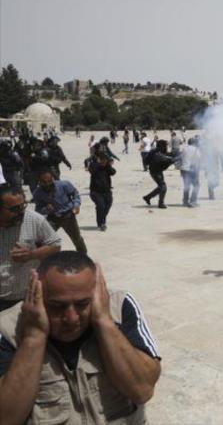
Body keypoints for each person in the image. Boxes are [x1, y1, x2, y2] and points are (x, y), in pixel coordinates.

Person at [0, 251, 161, 424]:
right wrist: (34, 337)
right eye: (56, 306)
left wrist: (104, 321)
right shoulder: (8, 327)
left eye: (82, 304)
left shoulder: (119, 307)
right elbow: (6, 418)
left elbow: (142, 390)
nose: (71, 318)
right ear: (35, 293)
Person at [0, 184, 62, 312]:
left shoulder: (34, 220)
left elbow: (55, 245)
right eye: (15, 209)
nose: (21, 211)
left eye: (23, 205)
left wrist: (32, 254)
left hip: (26, 297)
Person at [32, 169, 88, 254]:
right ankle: (44, 258)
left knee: (76, 238)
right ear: (39, 182)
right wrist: (45, 209)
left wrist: (76, 205)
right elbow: (38, 209)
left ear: (53, 179)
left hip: (68, 216)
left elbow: (75, 193)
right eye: (44, 182)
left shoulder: (64, 184)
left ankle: (83, 256)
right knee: (42, 239)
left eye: (49, 181)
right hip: (52, 218)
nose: (47, 184)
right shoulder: (37, 193)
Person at [142, 140, 175, 209]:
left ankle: (147, 197)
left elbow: (167, 154)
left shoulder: (159, 151)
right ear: (162, 146)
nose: (166, 147)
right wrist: (171, 160)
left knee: (161, 187)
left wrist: (174, 154)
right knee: (163, 187)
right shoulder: (155, 152)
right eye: (165, 145)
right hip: (155, 172)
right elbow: (164, 159)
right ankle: (161, 203)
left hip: (158, 171)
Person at [88, 152, 115, 231]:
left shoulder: (107, 166)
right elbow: (92, 171)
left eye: (105, 160)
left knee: (108, 205)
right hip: (95, 192)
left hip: (107, 191)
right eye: (102, 160)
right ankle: (101, 223)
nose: (104, 162)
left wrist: (108, 165)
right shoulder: (93, 165)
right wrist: (99, 165)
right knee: (101, 206)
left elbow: (113, 172)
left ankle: (101, 219)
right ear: (99, 160)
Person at [178, 137, 201, 207]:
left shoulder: (184, 148)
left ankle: (185, 201)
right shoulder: (196, 150)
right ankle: (193, 201)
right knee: (196, 185)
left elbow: (181, 158)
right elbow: (198, 160)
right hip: (192, 170)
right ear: (194, 143)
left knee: (186, 186)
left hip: (184, 169)